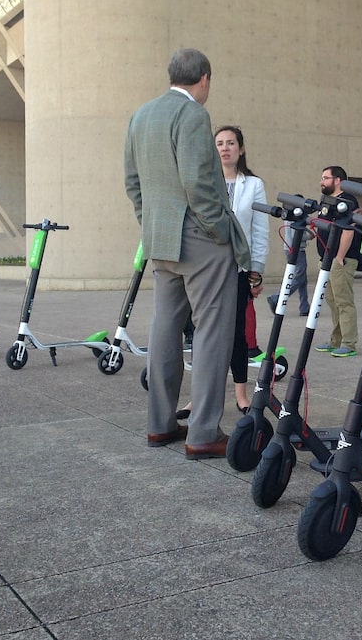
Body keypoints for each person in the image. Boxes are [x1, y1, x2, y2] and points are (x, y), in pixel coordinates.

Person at [124, 48, 250, 460]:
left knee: (165, 329)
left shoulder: (141, 115)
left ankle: (159, 424)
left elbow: (133, 183)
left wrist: (151, 222)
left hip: (160, 239)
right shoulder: (193, 114)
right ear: (205, 79)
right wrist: (219, 233)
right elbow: (199, 184)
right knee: (213, 331)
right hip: (200, 238)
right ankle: (204, 432)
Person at [177, 126, 269, 416]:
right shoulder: (202, 183)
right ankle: (197, 397)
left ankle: (241, 395)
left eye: (231, 143)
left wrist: (256, 271)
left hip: (238, 267)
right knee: (201, 332)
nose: (225, 148)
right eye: (219, 143)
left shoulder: (253, 185)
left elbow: (259, 231)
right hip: (205, 267)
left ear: (241, 149)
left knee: (237, 333)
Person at [314, 166, 359, 357]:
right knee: (333, 302)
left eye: (326, 178)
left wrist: (339, 256)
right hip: (326, 260)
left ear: (338, 180)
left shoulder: (347, 201)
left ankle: (349, 344)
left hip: (340, 260)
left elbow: (349, 229)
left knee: (344, 302)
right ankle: (335, 340)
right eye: (322, 177)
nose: (322, 181)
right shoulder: (327, 201)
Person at [267, 224, 311, 317]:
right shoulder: (295, 215)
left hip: (291, 248)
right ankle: (277, 298)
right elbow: (296, 234)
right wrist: (310, 236)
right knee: (299, 278)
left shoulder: (290, 213)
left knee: (302, 279)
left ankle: (304, 307)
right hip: (296, 249)